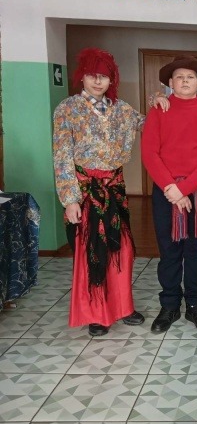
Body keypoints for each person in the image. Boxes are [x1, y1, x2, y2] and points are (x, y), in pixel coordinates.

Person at [53, 47, 145, 337]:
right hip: (85, 191)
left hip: (114, 189)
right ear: (82, 76)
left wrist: (161, 101)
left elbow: (149, 123)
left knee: (122, 249)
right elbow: (62, 156)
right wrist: (70, 200)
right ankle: (96, 313)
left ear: (111, 80)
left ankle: (123, 307)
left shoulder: (121, 108)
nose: (97, 81)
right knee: (93, 251)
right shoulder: (68, 109)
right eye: (92, 75)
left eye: (104, 76)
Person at [141, 55, 197, 333]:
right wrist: (171, 189)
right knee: (169, 251)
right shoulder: (158, 112)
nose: (185, 81)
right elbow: (150, 154)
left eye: (190, 77)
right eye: (179, 77)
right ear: (170, 83)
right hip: (165, 193)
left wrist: (184, 189)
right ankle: (170, 305)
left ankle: (196, 305)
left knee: (196, 252)